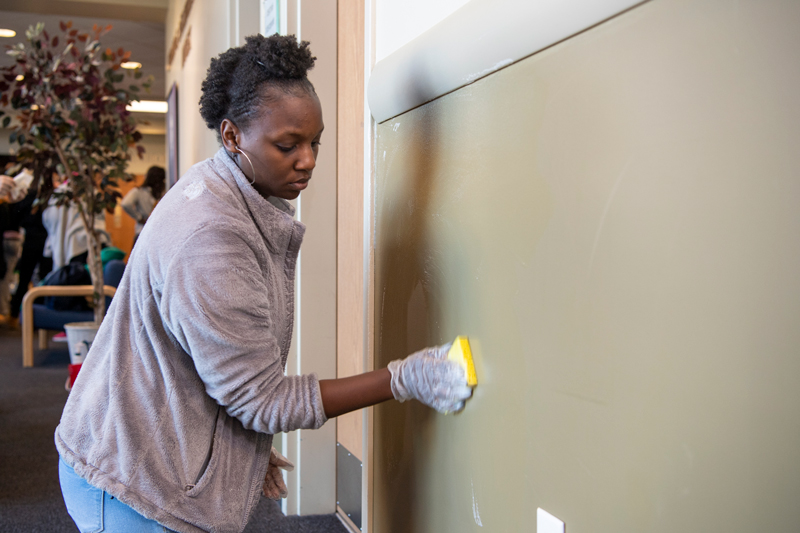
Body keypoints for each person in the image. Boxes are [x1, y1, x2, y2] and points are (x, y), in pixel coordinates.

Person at [55, 34, 472, 533]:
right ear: (233, 137)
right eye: (287, 145)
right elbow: (261, 399)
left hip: (137, 447)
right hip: (133, 488)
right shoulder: (213, 239)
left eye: (314, 142)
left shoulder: (222, 191)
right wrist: (403, 379)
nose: (308, 160)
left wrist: (240, 453)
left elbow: (215, 363)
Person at [120, 165, 166, 245]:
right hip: (157, 234)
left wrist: (139, 218)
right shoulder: (163, 193)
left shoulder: (139, 191)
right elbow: (125, 204)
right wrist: (139, 218)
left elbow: (125, 203)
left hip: (142, 232)